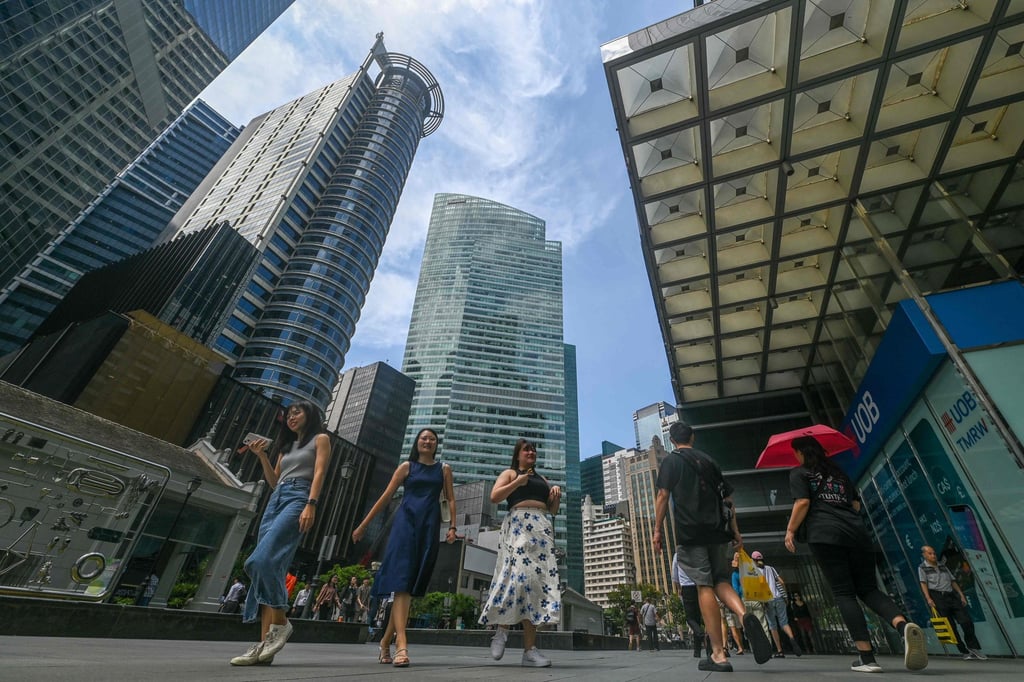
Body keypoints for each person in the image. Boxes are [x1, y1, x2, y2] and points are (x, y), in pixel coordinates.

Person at [785, 435, 927, 673]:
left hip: (825, 535)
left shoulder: (799, 473)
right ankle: (903, 627)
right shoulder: (839, 474)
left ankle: (866, 657)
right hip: (857, 535)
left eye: (795, 453)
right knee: (869, 589)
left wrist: (790, 531)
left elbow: (802, 502)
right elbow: (856, 505)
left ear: (801, 453)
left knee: (844, 592)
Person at [654, 421, 772, 673]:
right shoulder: (710, 461)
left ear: (672, 440)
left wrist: (657, 531)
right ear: (692, 437)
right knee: (721, 580)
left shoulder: (671, 462)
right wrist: (736, 532)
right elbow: (728, 501)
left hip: (691, 532)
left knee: (704, 585)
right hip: (719, 532)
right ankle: (744, 616)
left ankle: (718, 653)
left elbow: (663, 496)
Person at [231, 401, 329, 666]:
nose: (291, 417)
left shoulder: (321, 439)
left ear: (310, 415)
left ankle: (282, 623)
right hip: (275, 501)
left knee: (257, 561)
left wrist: (312, 503)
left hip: (299, 497)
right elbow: (274, 482)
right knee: (268, 567)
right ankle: (265, 645)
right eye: (288, 414)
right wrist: (262, 456)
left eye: (297, 412)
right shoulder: (285, 449)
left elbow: (319, 472)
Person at [353, 428, 456, 668]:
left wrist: (452, 527)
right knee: (401, 583)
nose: (427, 441)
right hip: (405, 526)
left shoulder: (444, 469)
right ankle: (402, 645)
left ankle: (384, 642)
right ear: (417, 442)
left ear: (436, 444)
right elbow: (386, 497)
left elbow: (450, 499)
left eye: (431, 438)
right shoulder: (406, 467)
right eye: (423, 438)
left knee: (407, 587)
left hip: (428, 527)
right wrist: (363, 526)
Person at [479, 438, 563, 668]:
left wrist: (555, 495)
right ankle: (502, 631)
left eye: (534, 449)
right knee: (517, 577)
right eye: (527, 449)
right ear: (518, 455)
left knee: (534, 586)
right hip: (518, 525)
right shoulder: (510, 473)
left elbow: (552, 509)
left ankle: (529, 651)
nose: (531, 452)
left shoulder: (542, 479)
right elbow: (495, 497)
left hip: (540, 528)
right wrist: (518, 482)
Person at [918, 545, 986, 660]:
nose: (933, 555)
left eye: (934, 553)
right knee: (950, 626)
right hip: (937, 597)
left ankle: (973, 647)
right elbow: (923, 583)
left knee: (966, 621)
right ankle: (964, 651)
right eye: (930, 553)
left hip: (951, 595)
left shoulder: (942, 566)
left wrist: (961, 595)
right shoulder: (922, 568)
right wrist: (928, 598)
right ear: (924, 555)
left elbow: (952, 581)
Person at [751, 551, 802, 657]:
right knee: (784, 623)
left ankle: (779, 651)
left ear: (753, 560)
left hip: (768, 600)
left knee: (773, 625)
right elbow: (781, 582)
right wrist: (785, 596)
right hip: (779, 598)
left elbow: (759, 588)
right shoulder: (771, 568)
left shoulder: (755, 572)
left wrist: (762, 601)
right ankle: (792, 638)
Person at [672, 550, 707, 658]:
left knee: (690, 618)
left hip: (686, 587)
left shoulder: (677, 555)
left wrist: (678, 588)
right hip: (699, 586)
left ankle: (700, 632)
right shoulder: (696, 552)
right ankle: (697, 651)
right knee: (697, 618)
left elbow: (674, 574)